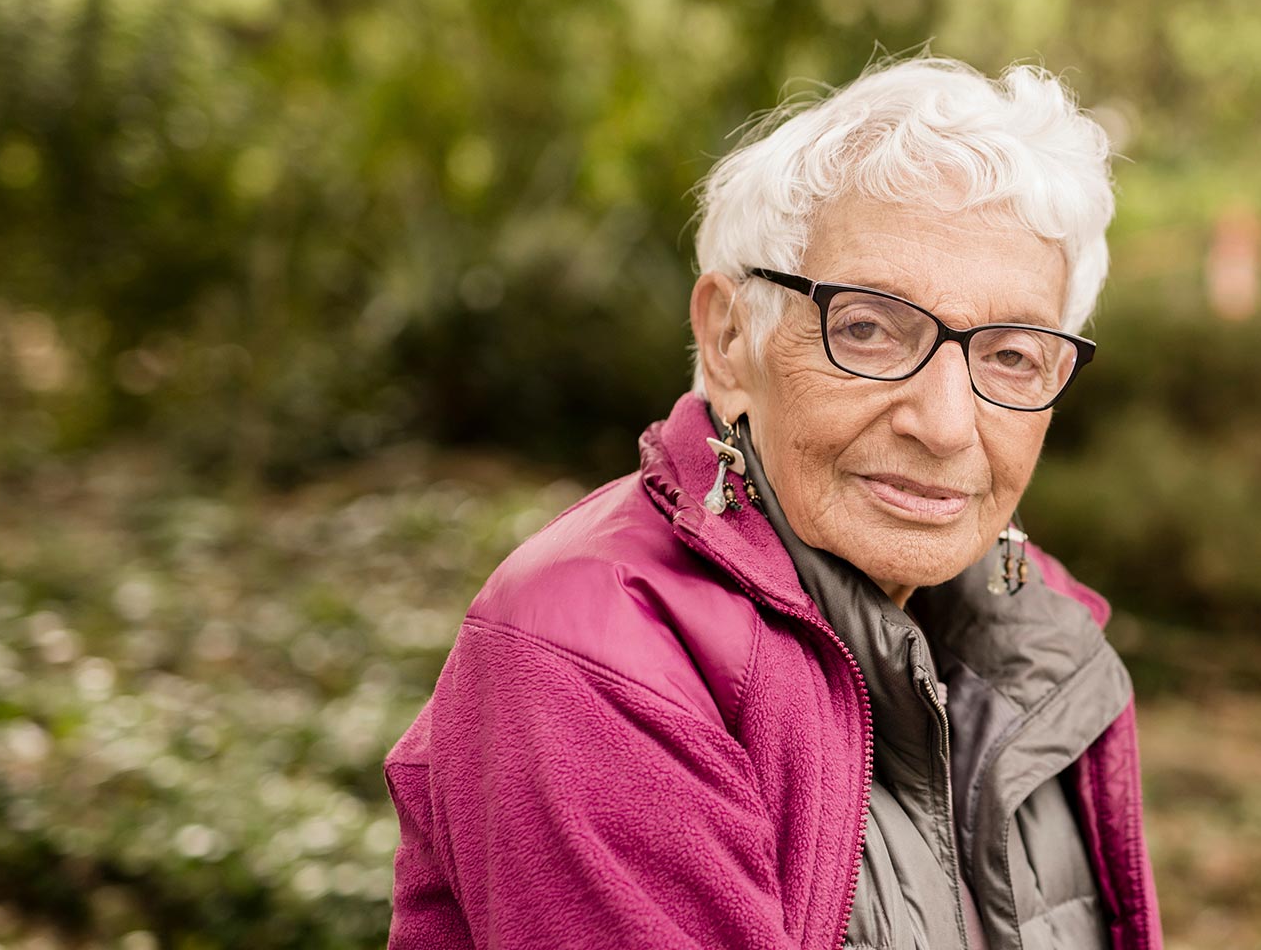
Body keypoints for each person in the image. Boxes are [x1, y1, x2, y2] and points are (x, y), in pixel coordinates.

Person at [384, 56, 1162, 950]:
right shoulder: (592, 648)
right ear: (728, 340)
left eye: (1012, 356)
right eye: (869, 329)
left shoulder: (1048, 631)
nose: (948, 426)